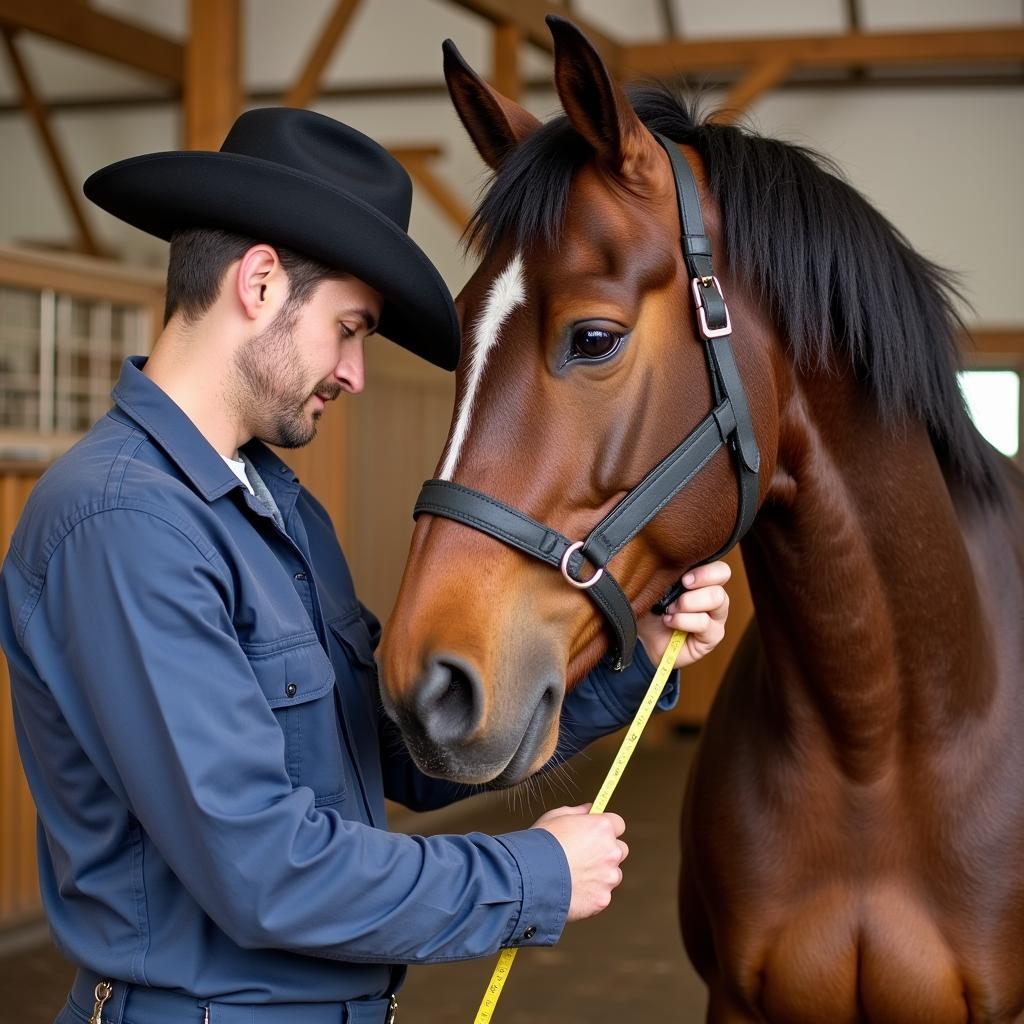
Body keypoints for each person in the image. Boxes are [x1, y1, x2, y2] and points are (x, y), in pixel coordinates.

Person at [0, 108, 732, 1024]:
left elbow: (392, 756)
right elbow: (261, 868)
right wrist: (530, 875)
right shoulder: (124, 521)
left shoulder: (278, 508)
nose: (353, 372)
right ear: (261, 284)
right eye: (350, 328)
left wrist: (633, 658)